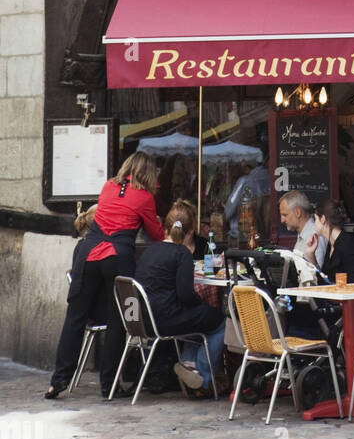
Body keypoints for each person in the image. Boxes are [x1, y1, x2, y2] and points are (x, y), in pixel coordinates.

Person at [46, 152, 163, 400]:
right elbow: (156, 234)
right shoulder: (144, 197)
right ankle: (109, 385)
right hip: (118, 256)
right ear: (148, 173)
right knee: (118, 319)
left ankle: (58, 380)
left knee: (75, 317)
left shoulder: (108, 186)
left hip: (88, 253)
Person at [135, 199, 226, 397]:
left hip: (141, 320)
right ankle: (203, 378)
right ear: (190, 232)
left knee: (199, 319)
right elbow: (185, 294)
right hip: (166, 320)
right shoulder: (181, 253)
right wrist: (200, 304)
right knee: (220, 322)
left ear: (166, 228)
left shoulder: (150, 250)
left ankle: (188, 365)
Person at [304, 198, 354, 284]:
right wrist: (310, 254)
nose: (314, 223)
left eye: (315, 219)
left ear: (323, 219)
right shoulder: (331, 243)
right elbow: (325, 279)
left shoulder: (347, 246)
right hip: (335, 296)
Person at [279, 191, 327, 270]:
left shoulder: (315, 234)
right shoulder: (303, 233)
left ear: (297, 212)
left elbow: (316, 275)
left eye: (285, 215)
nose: (282, 220)